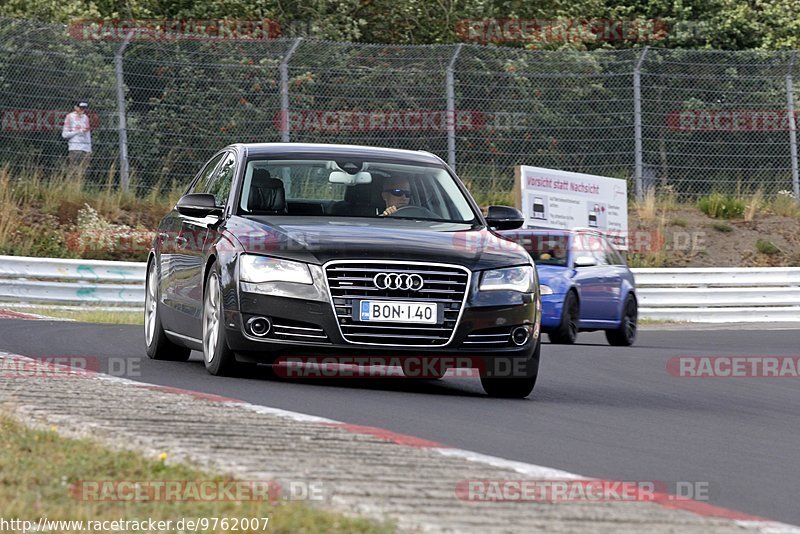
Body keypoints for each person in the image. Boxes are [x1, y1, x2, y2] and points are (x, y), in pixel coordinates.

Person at [62, 100, 92, 178]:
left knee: (83, 173)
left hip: (85, 149)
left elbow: (87, 134)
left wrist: (89, 149)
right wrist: (78, 131)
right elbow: (64, 135)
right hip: (74, 148)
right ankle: (70, 187)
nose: (83, 110)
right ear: (75, 107)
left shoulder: (85, 118)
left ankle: (79, 187)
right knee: (73, 171)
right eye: (81, 108)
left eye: (84, 108)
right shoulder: (70, 117)